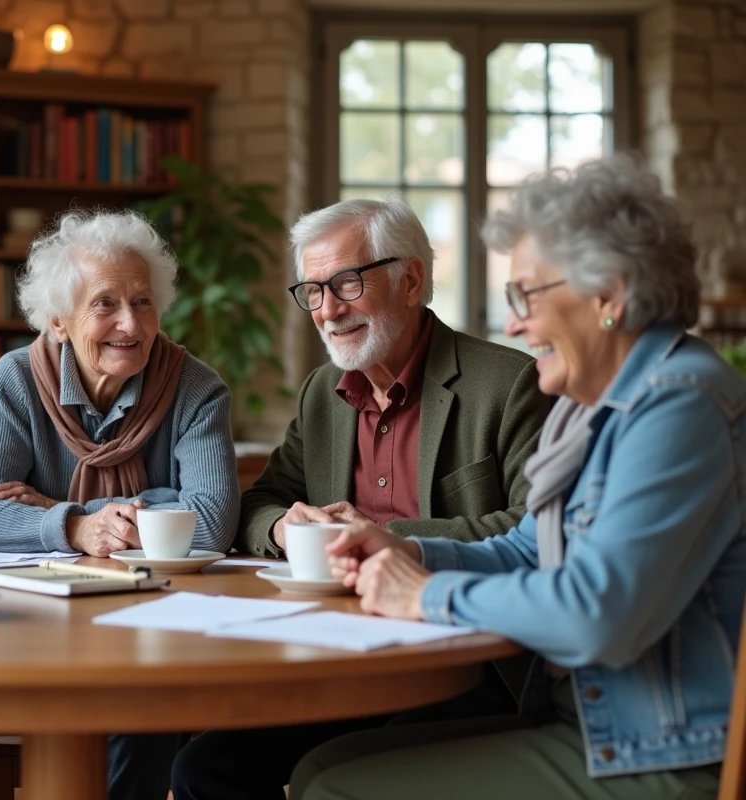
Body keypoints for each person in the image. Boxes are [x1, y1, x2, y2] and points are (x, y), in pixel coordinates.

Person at [289, 155, 742, 800]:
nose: (513, 324)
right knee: (317, 771)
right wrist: (408, 550)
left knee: (338, 791)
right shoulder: (595, 401)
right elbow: (529, 546)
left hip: (665, 749)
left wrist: (424, 595)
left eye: (527, 294)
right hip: (583, 720)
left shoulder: (681, 402)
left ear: (608, 293)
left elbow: (597, 612)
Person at [171, 195, 551, 800]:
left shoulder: (509, 384)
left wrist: (391, 539)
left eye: (346, 285)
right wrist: (282, 529)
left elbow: (538, 529)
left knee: (348, 776)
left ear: (411, 280)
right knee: (203, 768)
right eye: (313, 292)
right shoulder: (323, 393)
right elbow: (263, 498)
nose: (328, 311)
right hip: (338, 651)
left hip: (467, 663)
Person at [0, 208, 239, 800]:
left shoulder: (195, 387)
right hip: (37, 626)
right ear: (59, 321)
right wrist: (79, 524)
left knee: (144, 695)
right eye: (105, 303)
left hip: (158, 624)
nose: (129, 323)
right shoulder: (16, 380)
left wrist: (52, 509)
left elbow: (211, 523)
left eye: (142, 302)